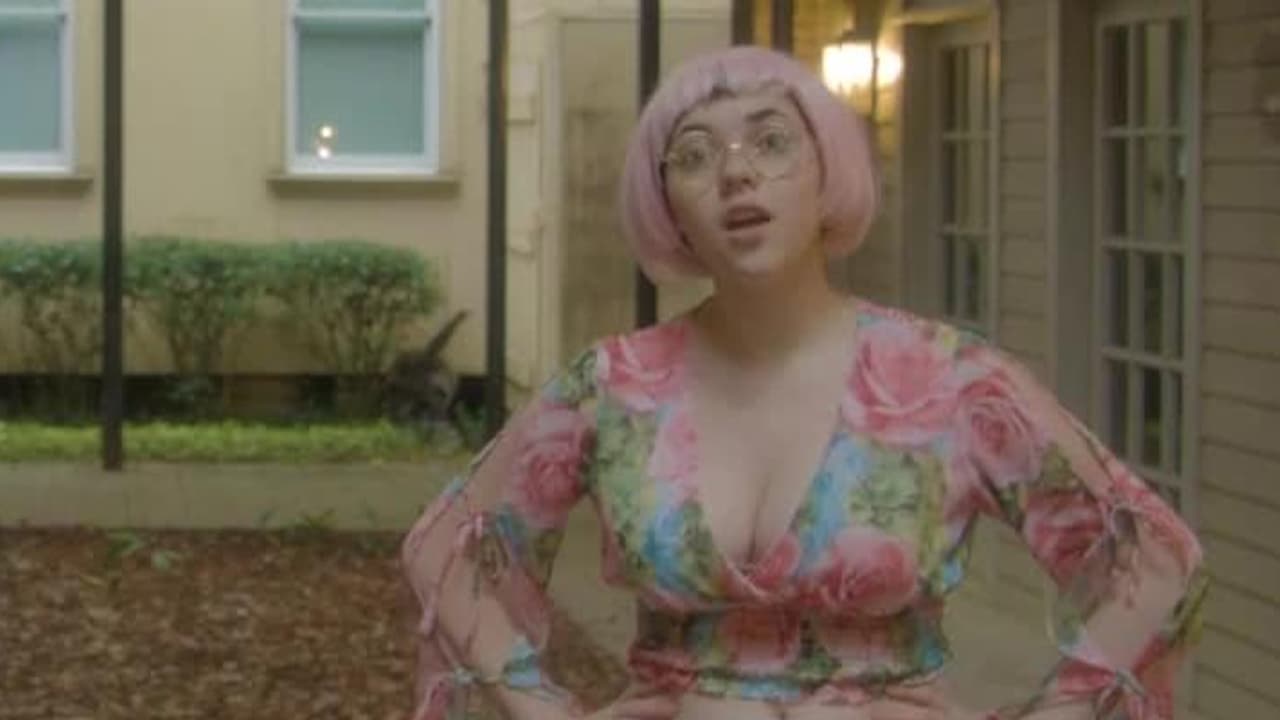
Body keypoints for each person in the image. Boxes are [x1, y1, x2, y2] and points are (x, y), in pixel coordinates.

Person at [400, 46, 1207, 720]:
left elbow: (1160, 561)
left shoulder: (948, 380)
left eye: (771, 142)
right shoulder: (613, 387)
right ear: (667, 208)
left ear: (828, 175)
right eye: (694, 155)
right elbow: (442, 551)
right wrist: (543, 708)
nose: (736, 174)